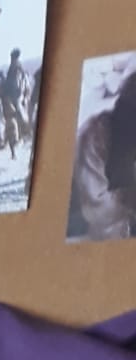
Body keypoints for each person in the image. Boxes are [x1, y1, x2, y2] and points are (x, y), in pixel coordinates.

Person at [69, 70, 136, 241]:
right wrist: (128, 198)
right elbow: (96, 208)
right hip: (84, 232)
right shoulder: (94, 135)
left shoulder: (127, 138)